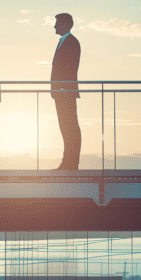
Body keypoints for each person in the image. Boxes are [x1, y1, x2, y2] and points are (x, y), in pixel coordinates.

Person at [51, 13, 81, 170]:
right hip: (61, 92)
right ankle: (68, 161)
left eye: (57, 23)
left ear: (65, 24)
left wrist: (62, 88)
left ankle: (71, 162)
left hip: (65, 92)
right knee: (65, 126)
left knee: (70, 126)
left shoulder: (71, 42)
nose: (54, 26)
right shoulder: (65, 42)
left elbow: (70, 67)